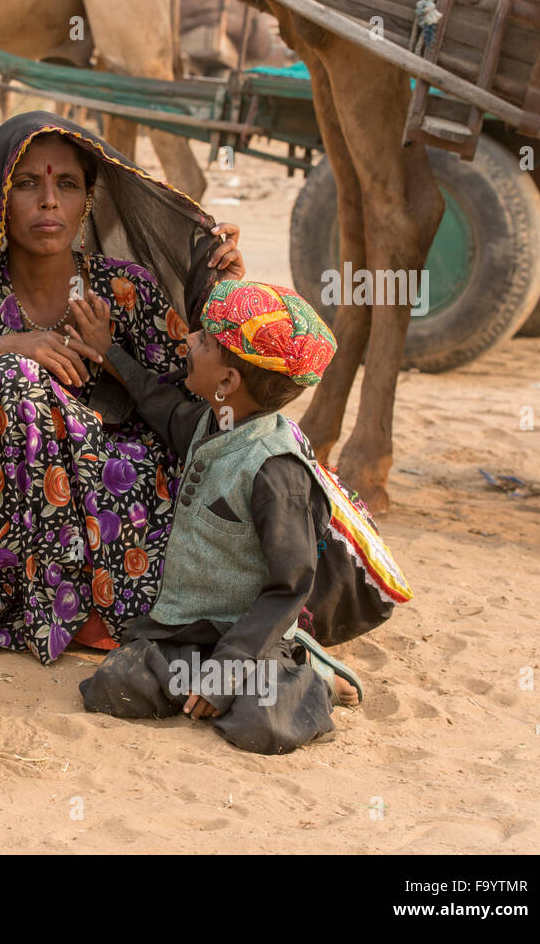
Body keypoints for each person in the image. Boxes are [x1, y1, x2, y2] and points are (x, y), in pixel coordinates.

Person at [0, 111, 244, 663]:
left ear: (87, 201)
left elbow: (204, 398)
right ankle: (43, 601)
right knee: (16, 383)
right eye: (27, 184)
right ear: (0, 199)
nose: (48, 202)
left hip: (120, 490)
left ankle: (92, 604)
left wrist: (223, 296)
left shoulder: (125, 289)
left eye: (66, 184)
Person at [78, 278, 412, 754]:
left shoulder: (275, 472)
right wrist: (109, 351)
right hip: (190, 629)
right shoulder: (212, 420)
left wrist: (229, 668)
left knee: (265, 724)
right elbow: (159, 403)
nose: (189, 340)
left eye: (206, 340)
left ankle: (312, 672)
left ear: (228, 381)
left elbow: (289, 587)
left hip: (255, 640)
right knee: (117, 685)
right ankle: (211, 681)